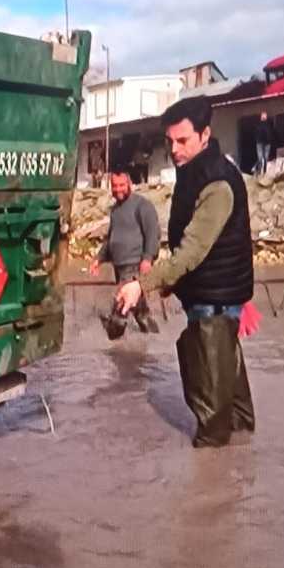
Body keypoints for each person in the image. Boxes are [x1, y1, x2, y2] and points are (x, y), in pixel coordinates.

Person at [116, 97, 256, 448]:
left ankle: (213, 494)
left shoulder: (217, 183)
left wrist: (140, 285)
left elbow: (192, 251)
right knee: (235, 412)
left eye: (183, 141)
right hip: (216, 299)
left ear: (205, 134)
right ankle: (243, 472)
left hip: (215, 303)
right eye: (170, 141)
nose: (174, 150)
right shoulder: (196, 170)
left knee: (210, 422)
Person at [91, 171, 160, 333]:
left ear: (129, 184)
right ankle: (151, 340)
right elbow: (111, 238)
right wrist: (99, 259)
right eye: (114, 186)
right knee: (138, 308)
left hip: (134, 264)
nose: (118, 189)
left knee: (121, 305)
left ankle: (112, 343)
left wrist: (148, 258)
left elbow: (152, 233)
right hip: (119, 265)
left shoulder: (142, 206)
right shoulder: (115, 210)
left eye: (122, 185)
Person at [254, 111, 274, 176]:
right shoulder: (268, 124)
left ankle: (261, 171)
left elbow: (256, 133)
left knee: (261, 158)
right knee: (264, 158)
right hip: (264, 143)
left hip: (261, 142)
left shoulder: (259, 124)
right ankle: (262, 171)